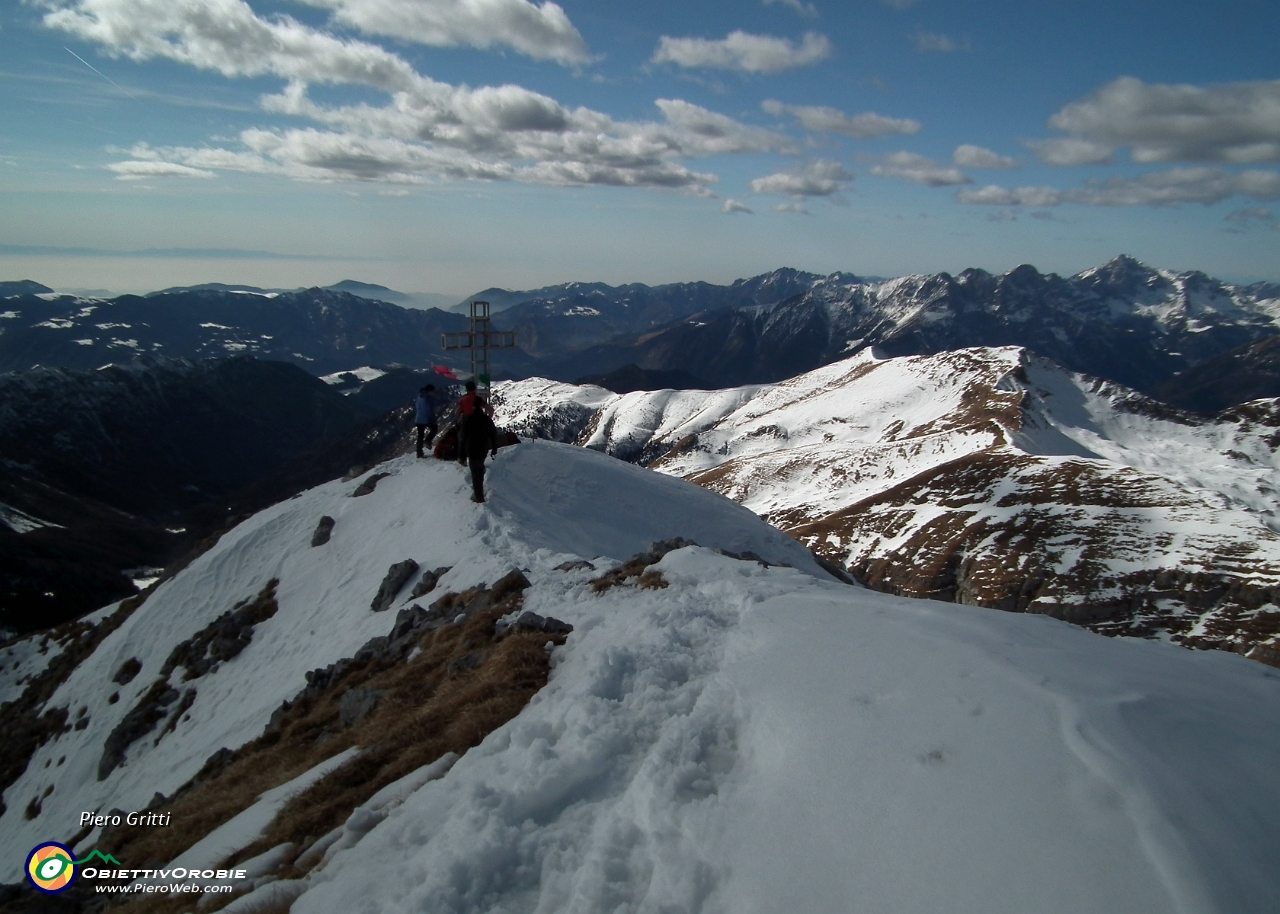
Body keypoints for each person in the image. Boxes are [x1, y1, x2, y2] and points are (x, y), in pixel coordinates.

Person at [460, 400, 499, 503]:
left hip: (470, 448)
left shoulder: (467, 419)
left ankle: (479, 496)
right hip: (482, 448)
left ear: (472, 406)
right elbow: (493, 435)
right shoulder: (486, 419)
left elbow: (462, 437)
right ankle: (480, 492)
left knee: (474, 472)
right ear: (482, 406)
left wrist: (461, 455)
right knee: (480, 469)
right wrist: (494, 449)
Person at [414, 384, 437, 458]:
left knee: (420, 435)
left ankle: (419, 452)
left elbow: (416, 406)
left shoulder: (419, 396)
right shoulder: (429, 397)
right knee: (434, 428)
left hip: (418, 418)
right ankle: (428, 440)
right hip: (427, 418)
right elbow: (430, 410)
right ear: (430, 390)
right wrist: (433, 419)